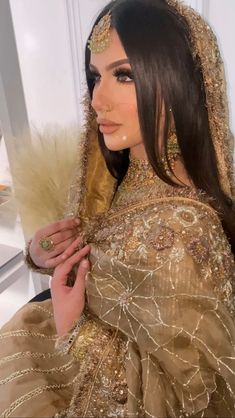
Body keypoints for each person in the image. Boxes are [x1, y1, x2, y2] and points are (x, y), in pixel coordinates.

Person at [1, 0, 235, 416]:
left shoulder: (186, 231)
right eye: (95, 77)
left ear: (179, 82)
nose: (96, 100)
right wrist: (44, 254)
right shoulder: (122, 171)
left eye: (124, 75)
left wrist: (73, 330)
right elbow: (97, 251)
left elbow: (180, 402)